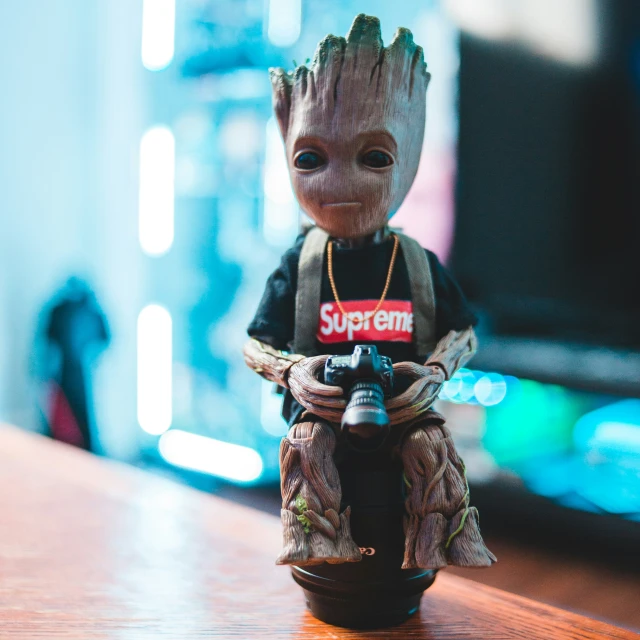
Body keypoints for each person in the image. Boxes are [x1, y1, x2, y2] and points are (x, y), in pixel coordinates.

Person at [244, 14, 494, 570]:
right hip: (320, 409)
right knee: (306, 449)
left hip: (405, 408)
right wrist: (294, 375)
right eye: (311, 159)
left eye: (374, 158)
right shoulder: (302, 264)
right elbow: (254, 344)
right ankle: (315, 546)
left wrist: (432, 374)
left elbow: (463, 332)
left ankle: (442, 541)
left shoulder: (416, 265)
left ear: (409, 156)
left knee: (432, 450)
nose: (340, 184)